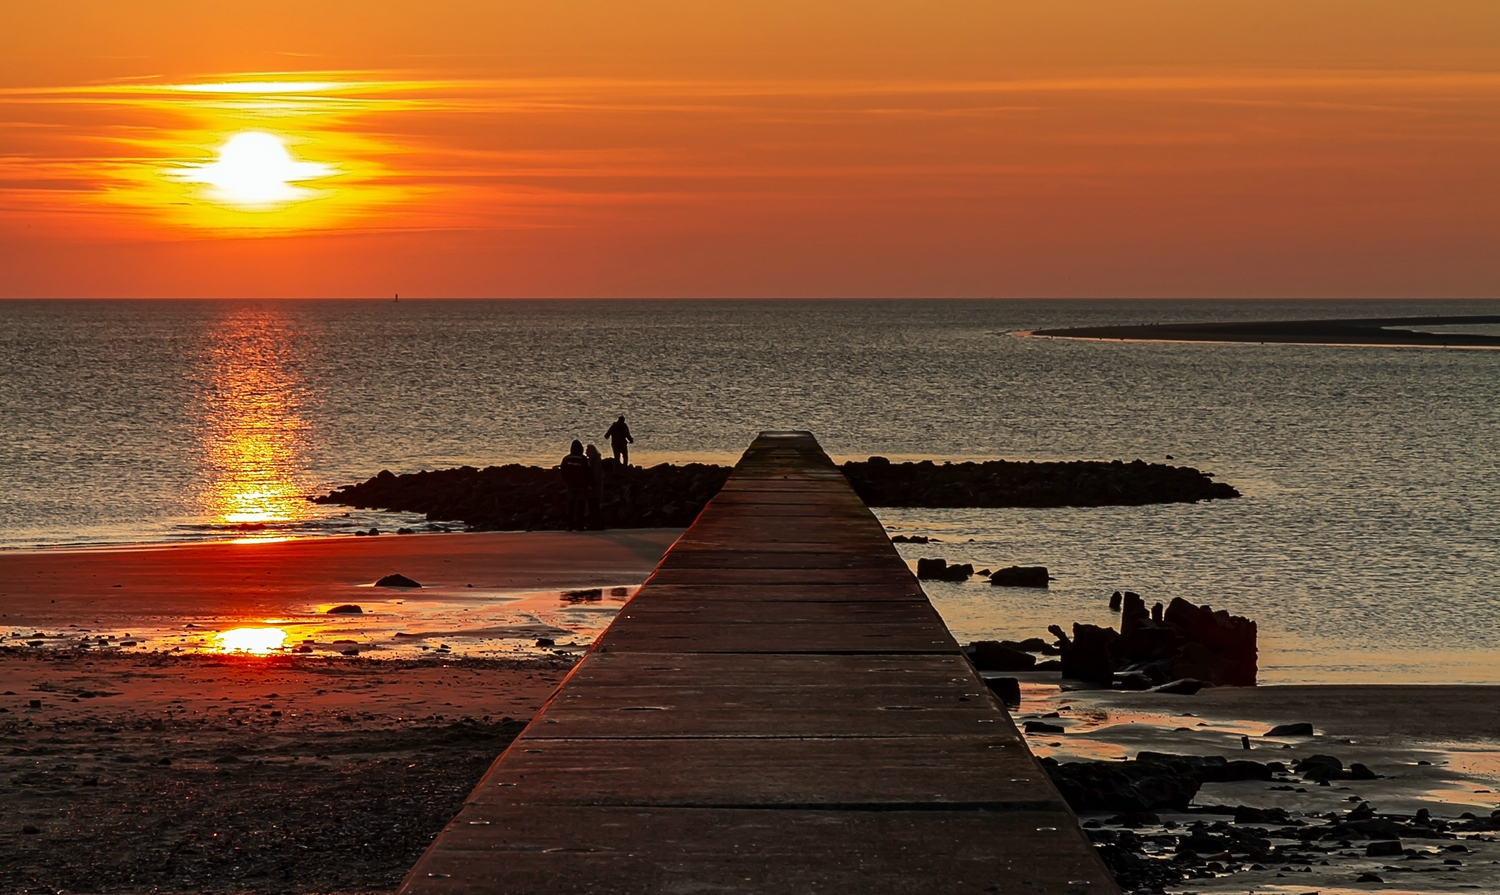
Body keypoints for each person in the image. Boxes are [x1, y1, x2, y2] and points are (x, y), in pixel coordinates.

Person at [559, 440, 591, 531]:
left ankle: (570, 525)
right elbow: (588, 472)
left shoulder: (566, 459)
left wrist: (566, 481)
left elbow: (562, 472)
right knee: (581, 506)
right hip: (581, 485)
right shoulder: (583, 459)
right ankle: (580, 525)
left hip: (570, 485)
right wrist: (587, 483)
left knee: (571, 505)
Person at [584, 443, 605, 530]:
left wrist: (591, 485)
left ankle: (597, 524)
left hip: (594, 488)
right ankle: (596, 524)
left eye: (587, 451)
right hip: (594, 487)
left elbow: (596, 475)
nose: (585, 453)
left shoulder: (595, 462)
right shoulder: (592, 461)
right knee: (593, 507)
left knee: (594, 506)